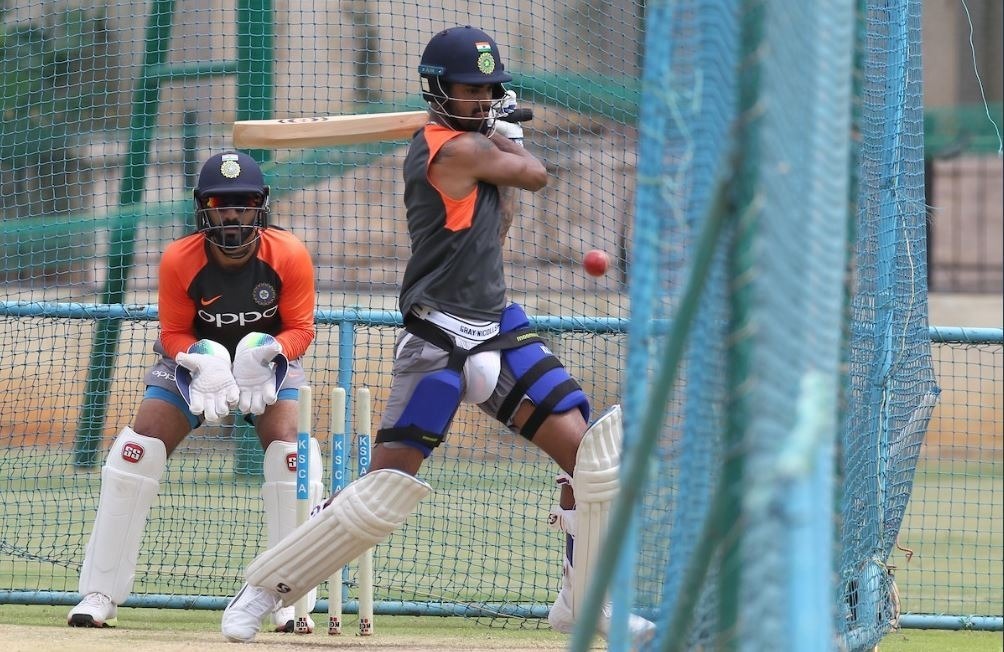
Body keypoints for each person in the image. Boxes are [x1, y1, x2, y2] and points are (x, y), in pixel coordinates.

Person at [221, 26, 654, 645]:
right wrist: (507, 138)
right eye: (468, 89)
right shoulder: (448, 151)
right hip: (439, 333)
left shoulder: (474, 151)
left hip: (496, 325)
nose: (479, 99)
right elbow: (536, 175)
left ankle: (588, 604)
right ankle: (263, 590)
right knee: (382, 489)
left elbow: (498, 225)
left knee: (591, 457)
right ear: (437, 90)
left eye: (488, 89)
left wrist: (499, 139)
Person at [68, 151, 323, 633]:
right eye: (220, 203)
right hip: (195, 364)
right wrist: (199, 357)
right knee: (137, 447)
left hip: (266, 364)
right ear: (202, 208)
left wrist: (268, 349)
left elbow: (302, 330)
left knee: (292, 451)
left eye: (242, 204)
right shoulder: (179, 258)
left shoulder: (288, 253)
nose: (232, 214)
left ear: (260, 207)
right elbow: (171, 333)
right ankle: (100, 592)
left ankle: (288, 599)